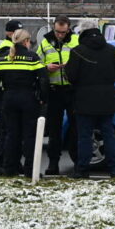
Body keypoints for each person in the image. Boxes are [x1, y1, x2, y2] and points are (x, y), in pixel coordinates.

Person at [65, 18, 115, 179]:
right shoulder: (111, 50)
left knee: (84, 136)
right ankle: (114, 169)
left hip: (84, 100)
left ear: (82, 32)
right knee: (108, 134)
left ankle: (82, 169)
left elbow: (71, 76)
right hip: (107, 99)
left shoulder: (77, 51)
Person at [0, 29, 48, 177]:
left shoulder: (3, 58)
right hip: (28, 99)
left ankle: (9, 168)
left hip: (9, 99)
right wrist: (42, 97)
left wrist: (1, 97)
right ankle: (30, 170)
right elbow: (43, 79)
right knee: (29, 136)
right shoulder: (33, 58)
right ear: (26, 41)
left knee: (11, 135)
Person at [35, 16, 79, 175]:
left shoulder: (76, 41)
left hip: (72, 90)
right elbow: (37, 63)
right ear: (54, 28)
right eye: (57, 32)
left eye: (63, 32)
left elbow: (82, 62)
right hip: (54, 90)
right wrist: (46, 67)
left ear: (68, 29)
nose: (60, 35)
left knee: (76, 128)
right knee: (54, 129)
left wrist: (71, 68)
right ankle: (53, 163)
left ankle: (78, 163)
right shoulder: (46, 42)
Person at [0, 19, 25, 176]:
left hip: (9, 96)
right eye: (15, 32)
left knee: (12, 133)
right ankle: (3, 165)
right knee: (7, 134)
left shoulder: (11, 46)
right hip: (9, 95)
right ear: (9, 33)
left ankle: (13, 163)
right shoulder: (5, 48)